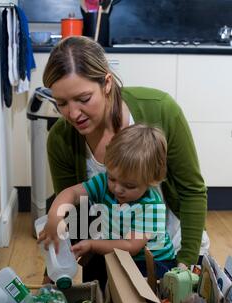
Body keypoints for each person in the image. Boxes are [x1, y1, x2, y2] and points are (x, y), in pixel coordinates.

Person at [42, 36, 208, 282]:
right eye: (61, 103)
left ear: (107, 83)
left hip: (170, 253)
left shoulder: (160, 109)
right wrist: (69, 253)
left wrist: (185, 265)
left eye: (84, 99)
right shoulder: (61, 139)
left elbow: (192, 192)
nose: (73, 114)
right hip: (106, 249)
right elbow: (75, 210)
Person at [39, 124, 177, 284]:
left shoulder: (151, 206)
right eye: (112, 178)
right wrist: (55, 216)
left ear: (151, 180)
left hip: (152, 262)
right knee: (97, 279)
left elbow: (131, 246)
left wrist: (92, 245)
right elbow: (73, 193)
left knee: (135, 296)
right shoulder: (105, 182)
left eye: (129, 186)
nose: (117, 189)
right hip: (117, 250)